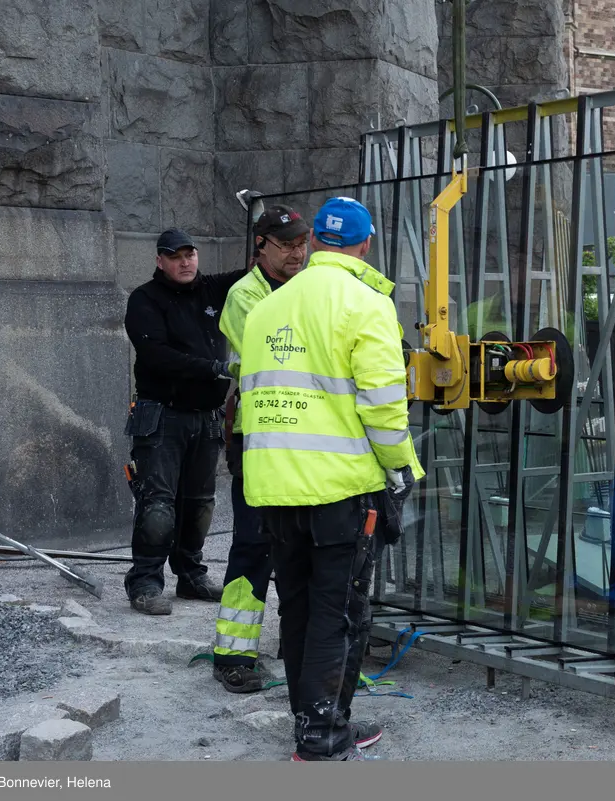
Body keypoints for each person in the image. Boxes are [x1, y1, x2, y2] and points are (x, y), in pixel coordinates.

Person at [239, 197, 425, 761]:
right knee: (338, 609)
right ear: (365, 246)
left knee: (295, 604)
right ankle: (322, 732)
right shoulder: (367, 305)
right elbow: (385, 407)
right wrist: (399, 468)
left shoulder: (267, 308)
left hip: (273, 486)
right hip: (340, 490)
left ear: (316, 240)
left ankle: (308, 718)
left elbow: (254, 399)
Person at [210, 205, 310, 693]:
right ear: (262, 245)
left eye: (302, 242)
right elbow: (271, 357)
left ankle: (299, 643)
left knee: (302, 544)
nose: (297, 251)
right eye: (287, 243)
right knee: (253, 545)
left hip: (303, 437)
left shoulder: (306, 289)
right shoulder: (244, 296)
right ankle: (233, 652)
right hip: (258, 439)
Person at [122, 228, 248, 615]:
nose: (185, 262)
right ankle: (145, 582)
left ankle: (191, 577)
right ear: (160, 260)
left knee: (199, 505)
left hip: (206, 418)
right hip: (161, 415)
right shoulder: (145, 299)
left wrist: (264, 230)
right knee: (158, 505)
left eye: (190, 254)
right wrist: (214, 368)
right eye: (175, 256)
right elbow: (157, 354)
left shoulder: (211, 289)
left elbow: (258, 271)